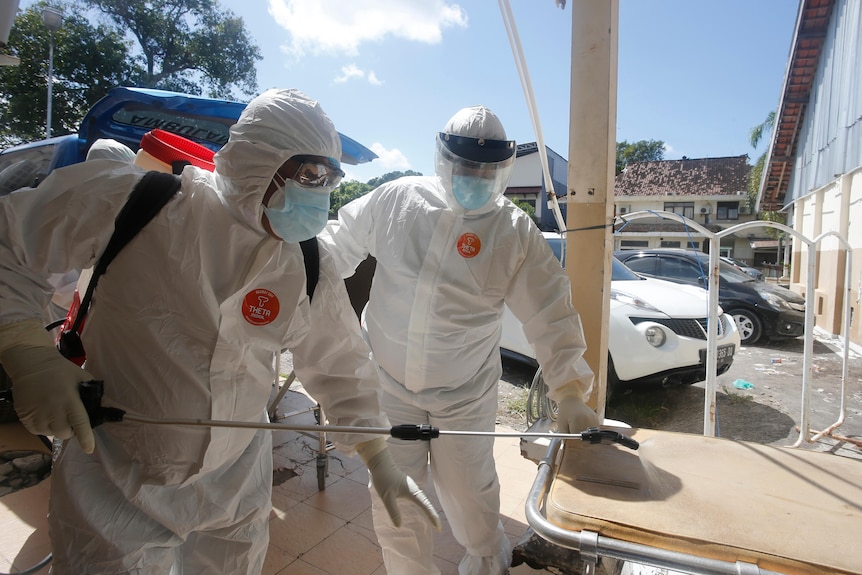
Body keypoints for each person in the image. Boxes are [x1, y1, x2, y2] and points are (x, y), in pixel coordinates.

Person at [0, 89, 439, 575]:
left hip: (234, 487)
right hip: (116, 477)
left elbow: (339, 363)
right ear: (257, 162)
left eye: (330, 179)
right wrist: (24, 350)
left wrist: (378, 455)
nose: (320, 194)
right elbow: (7, 248)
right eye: (310, 175)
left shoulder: (309, 261)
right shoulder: (133, 202)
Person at [320, 105, 599, 574]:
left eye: (487, 170)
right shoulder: (397, 201)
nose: (475, 177)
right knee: (396, 500)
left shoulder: (512, 230)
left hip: (464, 391)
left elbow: (550, 309)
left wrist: (569, 389)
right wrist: (291, 272)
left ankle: (487, 560)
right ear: (443, 158)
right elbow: (336, 246)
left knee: (471, 492)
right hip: (390, 384)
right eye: (467, 166)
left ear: (503, 168)